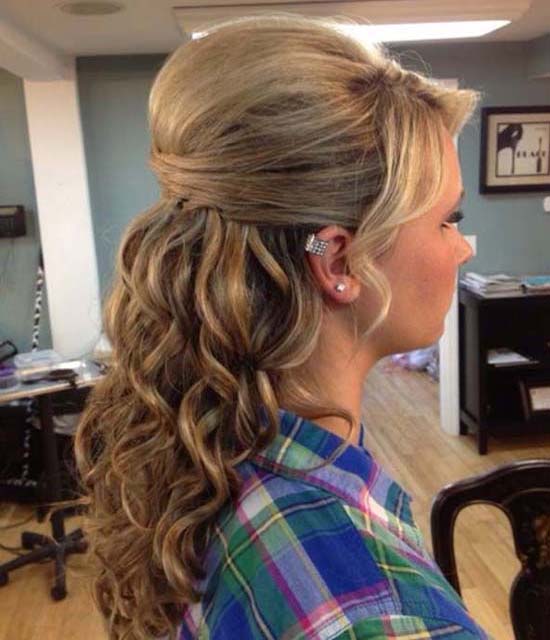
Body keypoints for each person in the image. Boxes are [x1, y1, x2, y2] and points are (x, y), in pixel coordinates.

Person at [73, 13, 490, 640]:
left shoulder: (212, 449)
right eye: (447, 220)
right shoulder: (381, 615)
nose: (462, 249)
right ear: (341, 262)